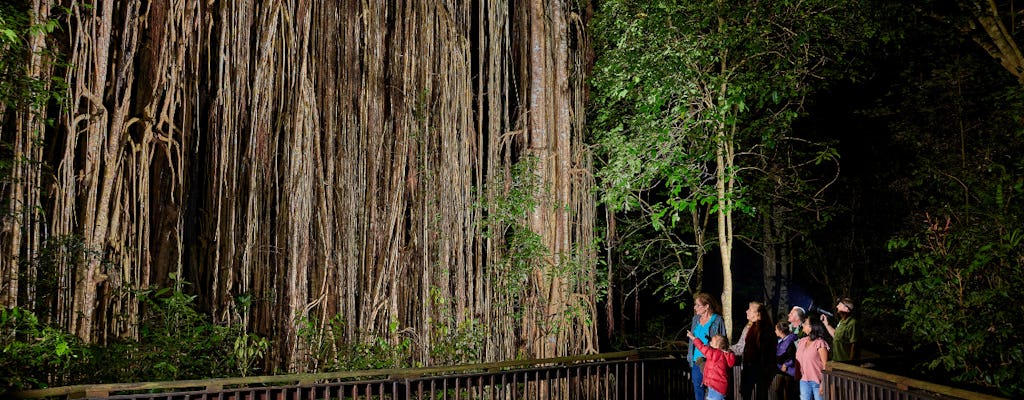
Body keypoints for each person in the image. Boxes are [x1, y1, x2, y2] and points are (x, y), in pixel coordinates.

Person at [687, 292, 727, 400]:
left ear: (706, 306)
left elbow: (723, 341)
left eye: (698, 305)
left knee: (712, 393)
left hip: (712, 362)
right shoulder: (695, 319)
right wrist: (690, 358)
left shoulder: (718, 320)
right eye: (695, 305)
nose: (695, 308)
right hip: (696, 360)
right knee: (698, 391)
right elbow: (692, 342)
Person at [733, 301, 775, 400]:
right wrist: (727, 349)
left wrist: (766, 368)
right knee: (745, 393)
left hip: (761, 367)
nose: (746, 311)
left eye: (750, 310)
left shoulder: (766, 329)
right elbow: (741, 346)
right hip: (748, 365)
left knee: (760, 395)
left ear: (758, 313)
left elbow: (768, 351)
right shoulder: (748, 327)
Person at [687, 330, 736, 400]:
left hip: (715, 388)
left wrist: (693, 338)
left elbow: (701, 347)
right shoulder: (726, 355)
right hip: (721, 387)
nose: (710, 342)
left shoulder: (714, 354)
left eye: (712, 341)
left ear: (717, 345)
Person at [795, 318, 831, 400]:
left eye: (805, 323)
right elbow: (798, 360)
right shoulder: (802, 341)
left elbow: (825, 365)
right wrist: (797, 375)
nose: (803, 324)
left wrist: (823, 383)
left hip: (817, 381)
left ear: (811, 327)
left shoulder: (820, 343)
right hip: (803, 380)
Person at [821, 297, 858, 362]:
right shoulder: (841, 321)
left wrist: (851, 363)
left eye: (840, 305)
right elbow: (836, 336)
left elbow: (854, 345)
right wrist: (826, 324)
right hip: (836, 360)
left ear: (846, 309)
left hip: (845, 362)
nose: (837, 306)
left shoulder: (852, 323)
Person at [773, 320, 798, 400]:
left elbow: (793, 357)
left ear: (780, 331)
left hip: (789, 372)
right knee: (779, 391)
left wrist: (785, 365)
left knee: (788, 393)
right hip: (783, 371)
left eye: (776, 329)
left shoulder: (789, 342)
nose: (775, 331)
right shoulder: (783, 341)